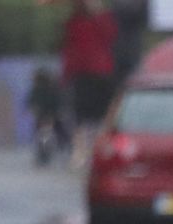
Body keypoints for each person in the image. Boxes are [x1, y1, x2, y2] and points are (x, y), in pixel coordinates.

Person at [60, 0, 119, 162]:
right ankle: (81, 152)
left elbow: (111, 35)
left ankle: (100, 150)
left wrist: (99, 11)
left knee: (102, 114)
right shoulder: (74, 22)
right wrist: (66, 75)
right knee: (80, 115)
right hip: (81, 74)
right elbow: (69, 49)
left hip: (101, 73)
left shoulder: (104, 19)